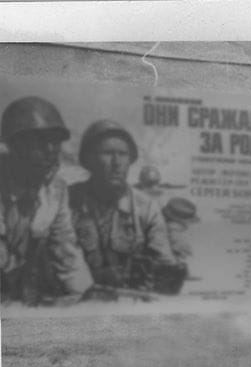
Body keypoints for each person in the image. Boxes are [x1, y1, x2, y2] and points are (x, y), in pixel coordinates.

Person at [69, 119, 182, 293]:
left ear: (130, 160)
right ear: (90, 160)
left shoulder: (146, 208)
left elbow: (165, 265)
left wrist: (169, 276)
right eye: (107, 153)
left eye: (123, 154)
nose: (117, 162)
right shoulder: (68, 201)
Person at [0, 96, 92, 305]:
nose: (51, 149)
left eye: (55, 141)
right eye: (39, 141)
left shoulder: (55, 190)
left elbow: (66, 250)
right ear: (14, 145)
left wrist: (83, 295)